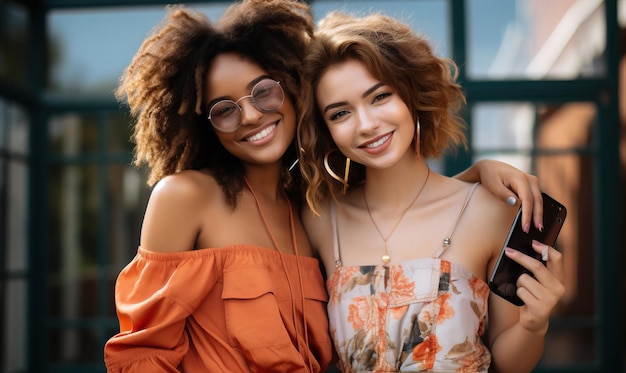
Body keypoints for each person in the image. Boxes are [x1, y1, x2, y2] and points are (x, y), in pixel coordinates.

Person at [104, 1, 548, 372]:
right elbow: (144, 353)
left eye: (263, 92)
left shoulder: (306, 208)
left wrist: (478, 176)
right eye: (224, 109)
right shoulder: (208, 201)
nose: (253, 116)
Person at [297, 10, 565, 373]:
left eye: (379, 97)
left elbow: (507, 363)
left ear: (410, 93)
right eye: (340, 113)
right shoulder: (318, 219)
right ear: (325, 129)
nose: (366, 125)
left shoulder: (488, 211)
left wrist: (535, 324)